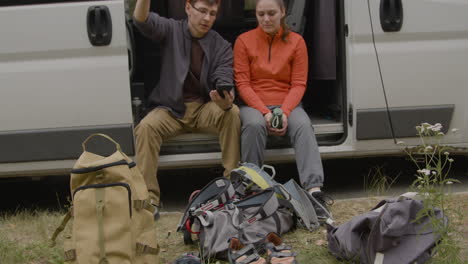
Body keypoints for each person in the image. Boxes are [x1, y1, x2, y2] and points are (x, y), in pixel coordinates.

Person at [133, 0, 241, 215]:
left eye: (212, 13)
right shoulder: (171, 29)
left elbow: (224, 74)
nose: (207, 18)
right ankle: (148, 200)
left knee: (233, 113)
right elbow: (141, 20)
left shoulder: (221, 45)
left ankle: (232, 188)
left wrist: (225, 100)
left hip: (203, 109)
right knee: (145, 128)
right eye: (202, 11)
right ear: (188, 8)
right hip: (171, 109)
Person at [233, 0, 331, 221]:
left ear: (283, 12)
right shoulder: (243, 41)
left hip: (288, 102)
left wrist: (284, 112)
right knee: (253, 125)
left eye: (271, 13)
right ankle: (252, 187)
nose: (266, 19)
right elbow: (243, 84)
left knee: (304, 126)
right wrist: (265, 112)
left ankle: (314, 191)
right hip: (254, 103)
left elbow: (298, 84)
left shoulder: (296, 42)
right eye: (261, 14)